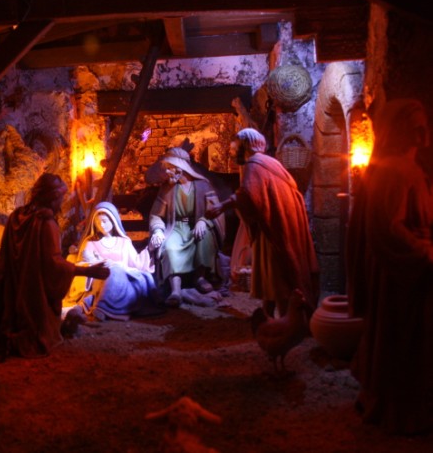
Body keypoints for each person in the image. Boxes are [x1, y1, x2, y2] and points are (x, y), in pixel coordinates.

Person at [346, 99, 433, 435]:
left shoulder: (409, 168)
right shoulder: (395, 171)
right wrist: (422, 250)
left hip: (406, 265)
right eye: (415, 128)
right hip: (399, 271)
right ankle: (396, 406)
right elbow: (391, 226)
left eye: (424, 126)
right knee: (398, 337)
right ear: (399, 131)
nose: (422, 134)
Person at [0, 173, 110, 362]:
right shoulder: (45, 222)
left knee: (16, 319)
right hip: (34, 289)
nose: (61, 202)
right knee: (38, 333)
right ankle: (15, 342)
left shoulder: (16, 217)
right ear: (51, 197)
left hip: (13, 286)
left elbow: (5, 253)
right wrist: (86, 271)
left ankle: (8, 335)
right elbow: (53, 264)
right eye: (60, 198)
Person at [206, 128, 319, 317]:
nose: (234, 152)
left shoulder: (254, 164)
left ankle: (285, 318)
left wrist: (221, 206)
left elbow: (248, 195)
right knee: (272, 272)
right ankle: (269, 313)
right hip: (281, 223)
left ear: (246, 145)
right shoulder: (271, 162)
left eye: (236, 147)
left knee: (276, 273)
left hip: (272, 229)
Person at [148, 147, 226, 307]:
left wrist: (203, 220)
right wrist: (157, 230)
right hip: (175, 227)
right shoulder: (168, 188)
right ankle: (175, 289)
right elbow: (156, 214)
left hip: (197, 226)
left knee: (204, 237)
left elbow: (216, 211)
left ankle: (200, 277)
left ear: (180, 168)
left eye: (169, 168)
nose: (167, 172)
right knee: (170, 247)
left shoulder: (203, 186)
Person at [74, 201, 161, 321]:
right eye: (98, 222)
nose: (101, 225)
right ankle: (103, 307)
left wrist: (149, 249)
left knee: (116, 270)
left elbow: (136, 263)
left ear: (113, 221)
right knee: (111, 271)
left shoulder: (124, 242)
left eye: (104, 221)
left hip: (124, 279)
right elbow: (82, 266)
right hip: (101, 279)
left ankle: (102, 307)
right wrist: (95, 263)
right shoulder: (90, 243)